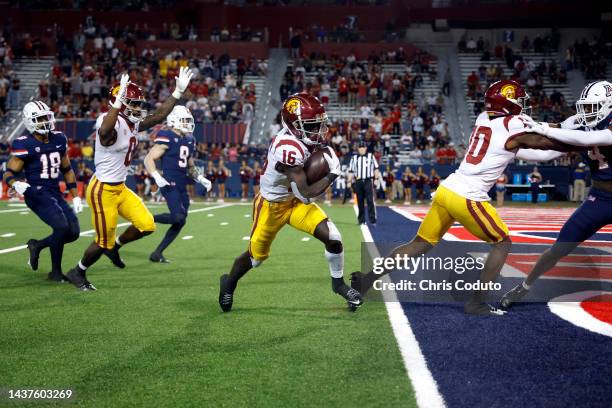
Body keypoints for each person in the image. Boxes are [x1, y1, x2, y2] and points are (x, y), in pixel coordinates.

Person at [351, 79, 577, 316]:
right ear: (508, 103)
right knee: (502, 242)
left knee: (418, 244)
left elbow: (539, 138)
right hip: (468, 196)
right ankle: (477, 302)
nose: (523, 107)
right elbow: (545, 142)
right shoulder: (512, 126)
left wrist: (566, 124)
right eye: (519, 101)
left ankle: (366, 280)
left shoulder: (484, 119)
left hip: (448, 189)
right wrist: (588, 142)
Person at [218, 93, 362, 312]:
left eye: (318, 125)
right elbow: (306, 193)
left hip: (293, 202)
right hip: (272, 206)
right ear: (294, 125)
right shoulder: (287, 147)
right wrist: (333, 173)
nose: (318, 131)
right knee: (255, 257)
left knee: (333, 238)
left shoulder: (304, 139)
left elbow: (301, 195)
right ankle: (229, 282)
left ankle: (338, 284)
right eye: (311, 125)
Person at [66, 67, 194, 291]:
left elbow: (159, 116)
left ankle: (116, 246)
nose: (137, 108)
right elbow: (105, 133)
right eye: (132, 103)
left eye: (138, 104)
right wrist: (116, 106)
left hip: (120, 188)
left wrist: (176, 93)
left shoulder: (131, 122)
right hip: (102, 190)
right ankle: (78, 271)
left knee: (147, 225)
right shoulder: (109, 121)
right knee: (101, 241)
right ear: (119, 103)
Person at [501, 80, 612, 307]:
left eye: (592, 107)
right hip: (599, 199)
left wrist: (545, 128)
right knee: (558, 248)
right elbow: (546, 153)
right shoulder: (577, 122)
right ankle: (524, 286)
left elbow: (594, 138)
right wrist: (507, 151)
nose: (586, 113)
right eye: (585, 107)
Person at [2, 101, 82, 282]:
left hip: (54, 192)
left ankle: (37, 246)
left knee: (73, 233)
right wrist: (15, 184)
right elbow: (9, 173)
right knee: (61, 227)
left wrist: (76, 196)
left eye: (47, 117)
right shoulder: (24, 144)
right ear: (30, 122)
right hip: (36, 193)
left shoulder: (59, 138)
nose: (45, 121)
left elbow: (67, 169)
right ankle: (55, 273)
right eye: (40, 119)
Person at [144, 106, 212, 263]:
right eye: (184, 120)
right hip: (169, 182)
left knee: (181, 220)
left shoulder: (189, 140)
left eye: (189, 121)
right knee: (177, 216)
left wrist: (200, 178)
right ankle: (146, 218)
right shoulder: (167, 135)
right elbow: (148, 158)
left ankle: (157, 253)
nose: (188, 124)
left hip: (181, 184)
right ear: (174, 121)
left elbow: (189, 165)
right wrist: (155, 175)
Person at [348, 140, 379, 225]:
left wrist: (376, 179)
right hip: (358, 181)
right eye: (360, 147)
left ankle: (372, 220)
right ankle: (361, 220)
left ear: (366, 148)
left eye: (363, 147)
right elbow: (351, 171)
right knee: (360, 201)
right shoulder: (354, 158)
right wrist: (349, 181)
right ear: (358, 148)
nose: (362, 149)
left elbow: (376, 168)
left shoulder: (371, 156)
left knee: (370, 201)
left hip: (368, 181)